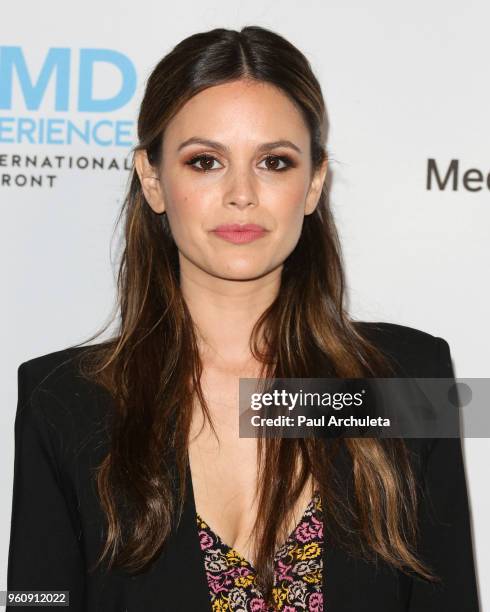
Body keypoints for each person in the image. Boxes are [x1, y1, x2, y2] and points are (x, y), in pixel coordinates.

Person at [6, 25, 480, 612]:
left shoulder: (408, 379)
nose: (241, 193)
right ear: (153, 179)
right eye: (205, 161)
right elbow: (36, 600)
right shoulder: (65, 399)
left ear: (314, 184)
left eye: (274, 162)